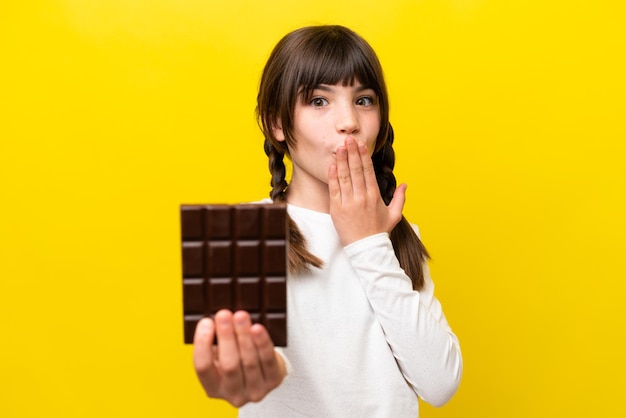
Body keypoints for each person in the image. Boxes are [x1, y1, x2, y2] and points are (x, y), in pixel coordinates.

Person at [192, 25, 463, 417]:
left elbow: (440, 384)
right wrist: (258, 368)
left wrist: (369, 243)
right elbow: (249, 361)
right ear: (277, 124)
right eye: (319, 101)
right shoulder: (239, 231)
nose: (349, 121)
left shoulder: (397, 235)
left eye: (364, 100)